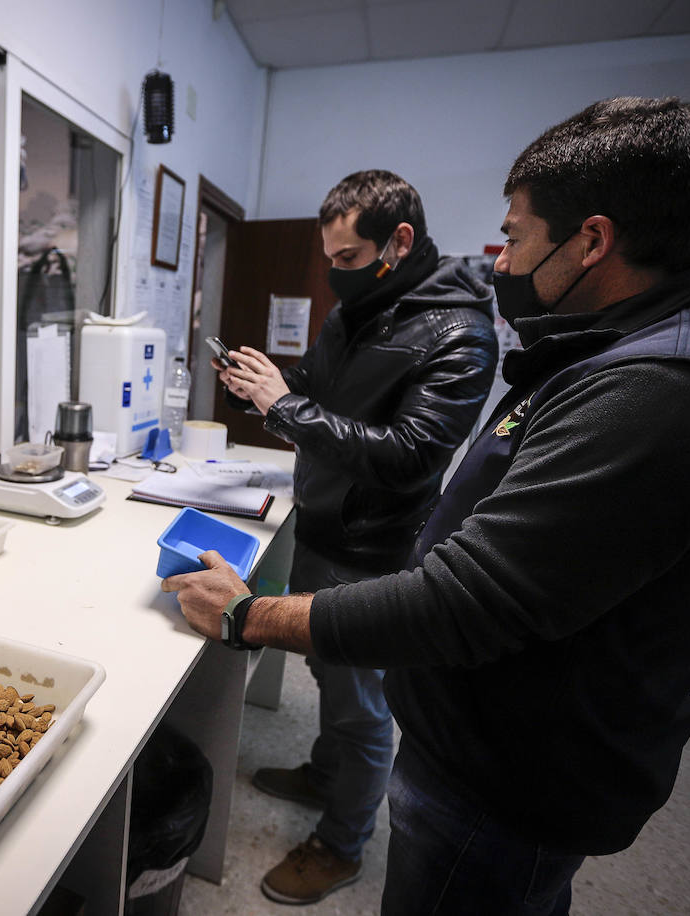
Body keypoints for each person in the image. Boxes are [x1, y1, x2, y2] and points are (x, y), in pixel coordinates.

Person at [170, 97, 690, 914]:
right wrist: (285, 392)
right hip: (477, 722)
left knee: (384, 750)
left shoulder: (658, 391)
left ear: (593, 239)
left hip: (514, 769)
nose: (503, 263)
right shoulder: (611, 350)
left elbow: (463, 578)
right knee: (348, 705)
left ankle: (340, 837)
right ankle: (331, 782)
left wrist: (250, 615)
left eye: (514, 237)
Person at [212, 170, 499, 904]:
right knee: (329, 679)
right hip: (321, 525)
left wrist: (285, 410)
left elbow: (410, 455)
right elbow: (310, 393)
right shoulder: (357, 310)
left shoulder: (460, 332)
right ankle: (325, 776)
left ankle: (341, 846)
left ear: (398, 242)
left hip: (373, 550)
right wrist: (268, 384)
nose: (336, 276)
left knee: (360, 707)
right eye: (329, 258)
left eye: (348, 259)